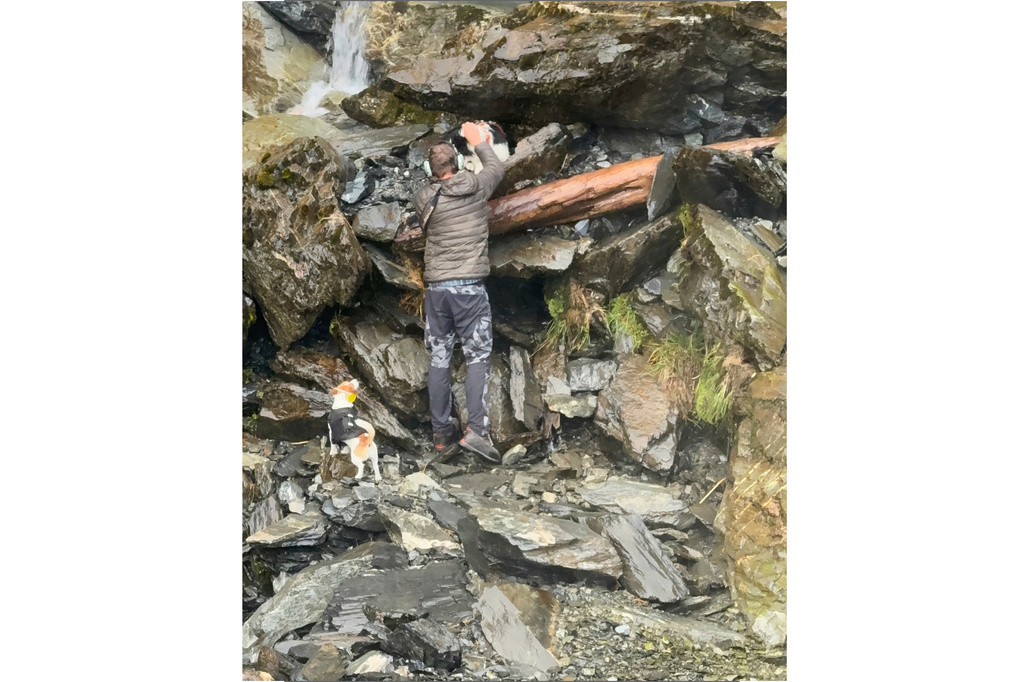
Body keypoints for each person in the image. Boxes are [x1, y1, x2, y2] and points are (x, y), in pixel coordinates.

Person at [413, 122, 505, 463]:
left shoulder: (423, 197)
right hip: (470, 290)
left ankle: (442, 435)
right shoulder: (479, 185)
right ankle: (477, 433)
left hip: (437, 291)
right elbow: (496, 167)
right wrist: (478, 142)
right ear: (459, 163)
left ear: (431, 171)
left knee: (438, 358)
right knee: (477, 356)